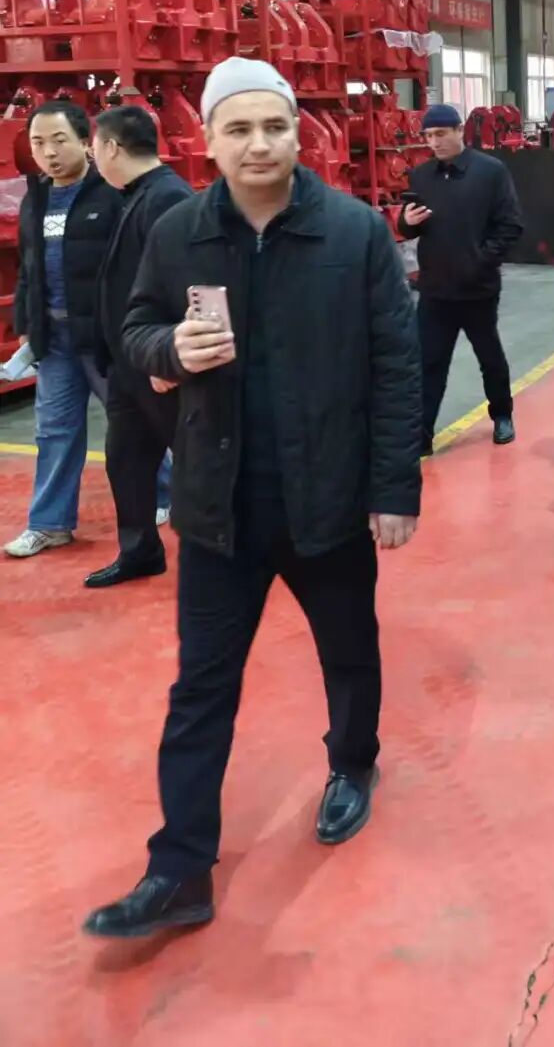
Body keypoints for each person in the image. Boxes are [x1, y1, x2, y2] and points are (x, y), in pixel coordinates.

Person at [83, 56, 421, 939]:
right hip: (218, 505)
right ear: (209, 139)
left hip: (326, 498)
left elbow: (397, 365)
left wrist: (394, 487)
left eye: (275, 126)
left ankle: (353, 762)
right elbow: (133, 327)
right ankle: (179, 868)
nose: (259, 143)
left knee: (348, 651)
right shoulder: (180, 233)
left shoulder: (353, 233)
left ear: (297, 134)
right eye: (239, 128)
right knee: (200, 685)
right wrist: (169, 349)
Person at [4, 101, 122, 559]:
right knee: (54, 430)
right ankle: (49, 524)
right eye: (38, 143)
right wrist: (26, 324)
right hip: (53, 340)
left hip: (104, 337)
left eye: (59, 141)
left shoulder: (111, 195)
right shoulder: (35, 199)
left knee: (132, 423)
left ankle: (167, 493)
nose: (49, 153)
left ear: (84, 142)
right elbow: (28, 269)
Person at [86, 105, 193, 589]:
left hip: (159, 366)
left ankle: (232, 553)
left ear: (111, 147)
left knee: (196, 461)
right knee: (126, 461)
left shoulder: (167, 198)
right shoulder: (134, 196)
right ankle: (140, 551)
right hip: (129, 367)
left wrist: (167, 356)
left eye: (94, 145)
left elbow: (185, 283)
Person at [398, 103, 523, 455]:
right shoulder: (421, 176)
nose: (434, 142)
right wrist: (407, 222)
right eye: (428, 136)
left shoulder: (491, 172)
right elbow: (408, 227)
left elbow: (511, 225)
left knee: (489, 357)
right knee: (428, 363)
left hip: (478, 290)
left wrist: (480, 262)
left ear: (458, 131)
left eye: (440, 134)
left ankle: (502, 415)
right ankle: (422, 432)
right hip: (435, 290)